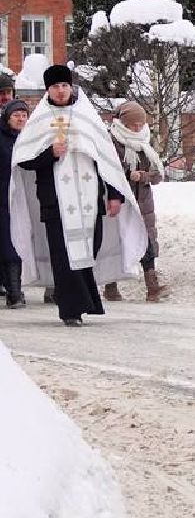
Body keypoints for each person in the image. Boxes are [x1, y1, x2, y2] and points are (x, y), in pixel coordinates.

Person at [7, 65, 145, 326]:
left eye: (64, 86)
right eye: (55, 87)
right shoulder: (39, 120)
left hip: (89, 201)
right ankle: (71, 310)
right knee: (63, 254)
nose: (60, 91)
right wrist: (49, 154)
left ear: (71, 87)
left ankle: (86, 301)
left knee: (87, 251)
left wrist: (114, 195)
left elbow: (107, 161)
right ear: (48, 90)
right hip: (54, 202)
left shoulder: (86, 117)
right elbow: (23, 160)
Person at [103, 100, 170, 303]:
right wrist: (127, 174)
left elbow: (157, 174)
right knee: (117, 241)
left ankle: (152, 285)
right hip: (120, 199)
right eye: (134, 124)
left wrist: (143, 176)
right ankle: (110, 285)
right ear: (124, 123)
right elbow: (107, 169)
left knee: (146, 240)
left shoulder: (144, 141)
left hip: (142, 201)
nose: (138, 128)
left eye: (141, 124)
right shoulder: (111, 141)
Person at [2, 98, 29, 307]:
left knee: (18, 241)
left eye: (23, 115)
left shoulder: (30, 139)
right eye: (16, 115)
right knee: (9, 243)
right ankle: (14, 292)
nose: (20, 119)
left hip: (23, 198)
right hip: (2, 197)